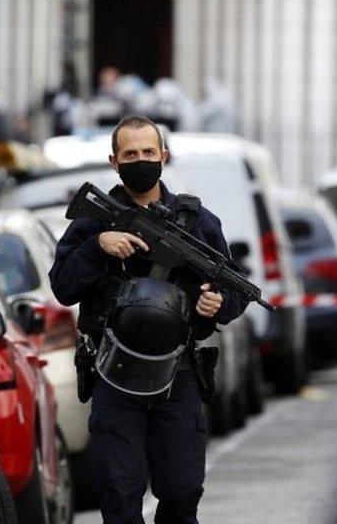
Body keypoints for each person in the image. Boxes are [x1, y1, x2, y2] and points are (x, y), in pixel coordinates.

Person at [49, 115, 248, 524]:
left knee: (180, 492)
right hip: (114, 374)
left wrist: (218, 304)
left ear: (164, 156)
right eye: (131, 154)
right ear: (113, 161)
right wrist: (98, 247)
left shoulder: (196, 221)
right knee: (119, 497)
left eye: (148, 152)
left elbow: (233, 286)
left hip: (179, 374)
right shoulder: (93, 222)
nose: (140, 160)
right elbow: (63, 288)